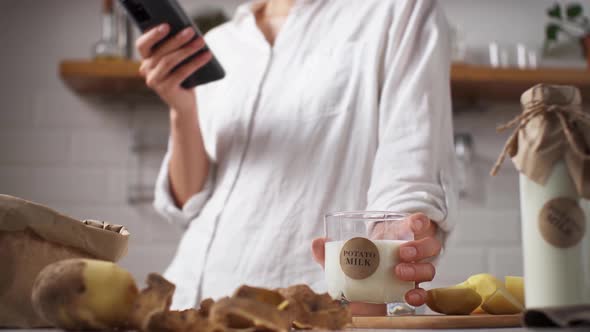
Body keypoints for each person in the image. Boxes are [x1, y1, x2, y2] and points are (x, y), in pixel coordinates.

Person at [139, 0, 456, 315]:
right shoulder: (219, 43)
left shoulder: (398, 12)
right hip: (188, 304)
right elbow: (189, 202)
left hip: (303, 308)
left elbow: (407, 175)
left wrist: (391, 253)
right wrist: (182, 109)